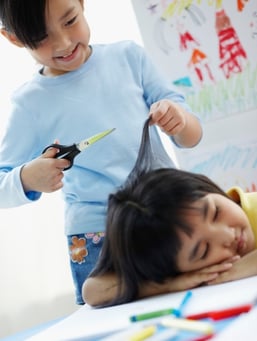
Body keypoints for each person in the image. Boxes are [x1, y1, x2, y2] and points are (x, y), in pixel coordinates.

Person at [0, 0, 202, 305]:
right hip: (99, 234)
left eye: (69, 21)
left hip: (167, 211)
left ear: (82, 4)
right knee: (112, 317)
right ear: (14, 38)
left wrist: (179, 120)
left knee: (198, 295)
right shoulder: (29, 104)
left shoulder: (128, 57)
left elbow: (191, 137)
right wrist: (28, 178)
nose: (64, 43)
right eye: (42, 37)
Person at [82, 120, 257, 308]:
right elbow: (92, 291)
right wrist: (170, 284)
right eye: (203, 251)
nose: (228, 235)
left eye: (216, 212)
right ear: (180, 270)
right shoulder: (181, 265)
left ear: (205, 187)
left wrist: (236, 270)